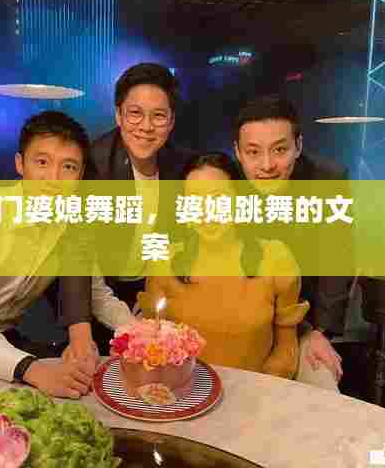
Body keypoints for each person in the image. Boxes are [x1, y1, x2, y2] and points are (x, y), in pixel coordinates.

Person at [0, 111, 134, 398]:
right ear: (20, 164)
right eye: (42, 162)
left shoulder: (72, 226)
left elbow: (97, 296)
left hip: (2, 339)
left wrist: (144, 334)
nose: (54, 179)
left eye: (68, 167)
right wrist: (35, 371)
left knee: (78, 384)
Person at [138, 152, 335, 387]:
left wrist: (259, 391)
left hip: (256, 392)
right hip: (185, 392)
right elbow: (152, 341)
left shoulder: (276, 258)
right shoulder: (163, 260)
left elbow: (285, 348)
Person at [60, 62, 192, 354]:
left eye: (158, 116)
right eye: (135, 113)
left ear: (171, 121)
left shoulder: (181, 166)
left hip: (150, 288)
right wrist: (79, 331)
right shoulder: (92, 166)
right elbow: (76, 250)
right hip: (96, 290)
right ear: (118, 114)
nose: (146, 126)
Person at [232, 95, 354, 385]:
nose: (267, 165)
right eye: (253, 152)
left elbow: (336, 260)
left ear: (298, 145)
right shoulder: (224, 182)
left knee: (322, 381)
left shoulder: (327, 181)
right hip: (238, 312)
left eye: (279, 150)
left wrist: (320, 332)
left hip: (302, 320)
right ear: (237, 152)